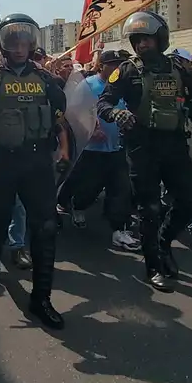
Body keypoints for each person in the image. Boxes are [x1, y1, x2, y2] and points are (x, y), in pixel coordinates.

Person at [97, 11, 192, 293]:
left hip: (175, 144)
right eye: (138, 40)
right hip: (142, 147)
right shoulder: (127, 70)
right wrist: (117, 113)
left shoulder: (178, 68)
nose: (142, 45)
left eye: (147, 39)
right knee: (149, 209)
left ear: (160, 38)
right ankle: (153, 265)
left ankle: (163, 242)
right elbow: (104, 103)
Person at [0, 13, 69, 329]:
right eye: (13, 40)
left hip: (37, 163)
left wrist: (64, 147)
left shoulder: (46, 80)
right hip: (2, 161)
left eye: (24, 40)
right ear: (4, 43)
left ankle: (41, 298)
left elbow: (59, 116)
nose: (19, 47)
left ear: (32, 42)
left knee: (45, 228)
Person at [60, 50, 140, 251]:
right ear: (101, 66)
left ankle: (118, 231)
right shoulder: (87, 86)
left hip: (118, 147)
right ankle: (78, 206)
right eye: (113, 64)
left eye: (121, 64)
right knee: (89, 188)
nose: (118, 68)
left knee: (121, 188)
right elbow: (73, 112)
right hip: (92, 150)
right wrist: (90, 128)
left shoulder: (123, 84)